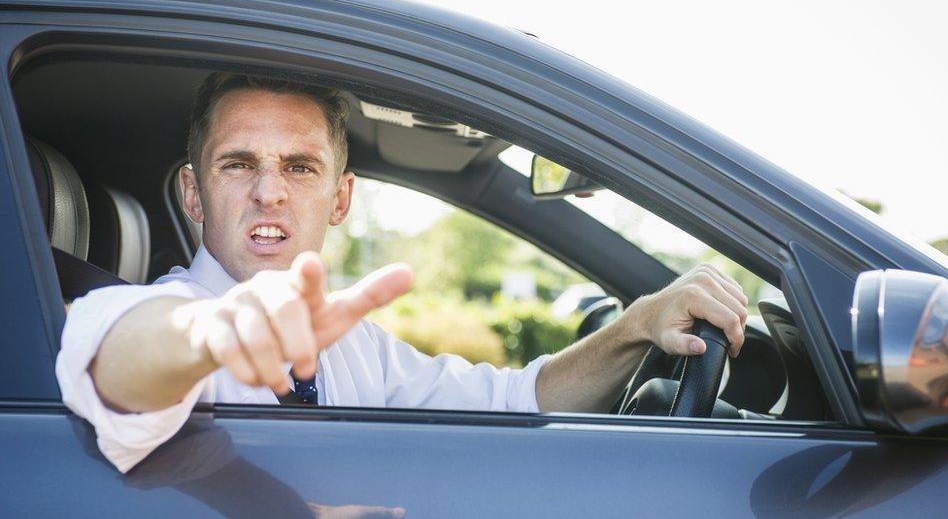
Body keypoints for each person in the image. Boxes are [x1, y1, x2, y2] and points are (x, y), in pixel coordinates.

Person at [56, 73, 749, 474]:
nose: (269, 191)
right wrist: (212, 331)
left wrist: (635, 326)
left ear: (341, 198)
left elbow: (514, 401)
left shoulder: (354, 346)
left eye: (300, 167)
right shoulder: (167, 314)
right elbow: (111, 361)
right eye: (239, 163)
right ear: (193, 194)